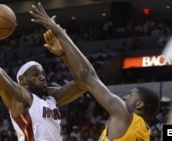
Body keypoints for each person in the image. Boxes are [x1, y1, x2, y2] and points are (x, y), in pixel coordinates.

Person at [29, 2, 160, 141]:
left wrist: (59, 31)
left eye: (130, 94)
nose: (125, 97)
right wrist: (63, 54)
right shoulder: (144, 133)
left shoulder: (125, 116)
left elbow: (87, 76)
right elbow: (84, 81)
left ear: (139, 104)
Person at [0, 3, 87, 141]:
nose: (43, 77)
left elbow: (84, 83)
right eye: (36, 74)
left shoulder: (51, 98)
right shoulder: (20, 98)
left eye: (43, 73)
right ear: (22, 80)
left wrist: (63, 54)